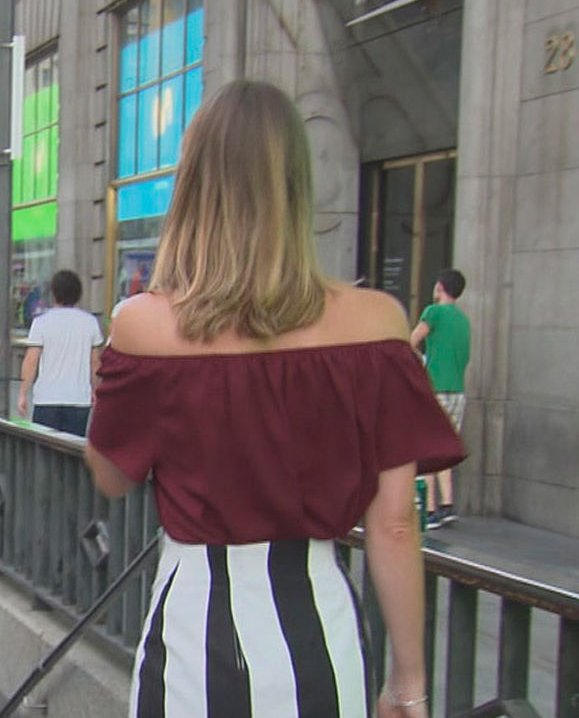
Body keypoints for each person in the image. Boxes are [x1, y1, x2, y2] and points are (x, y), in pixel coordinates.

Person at [84, 81, 463, 717]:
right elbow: (395, 523)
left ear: (196, 185)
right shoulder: (377, 324)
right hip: (319, 626)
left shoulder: (144, 326)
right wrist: (408, 683)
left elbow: (113, 478)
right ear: (295, 186)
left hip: (194, 628)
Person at [410, 269, 471, 530]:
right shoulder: (464, 320)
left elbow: (410, 340)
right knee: (445, 449)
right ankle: (447, 505)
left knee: (426, 447)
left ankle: (430, 508)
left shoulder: (433, 312)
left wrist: (421, 362)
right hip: (458, 390)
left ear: (440, 286)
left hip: (435, 387)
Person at [17, 270, 104, 436]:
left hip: (47, 398)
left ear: (54, 293)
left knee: (44, 454)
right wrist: (94, 390)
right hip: (78, 398)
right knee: (71, 453)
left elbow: (31, 361)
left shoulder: (41, 323)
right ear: (78, 294)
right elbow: (95, 363)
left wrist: (23, 393)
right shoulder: (90, 323)